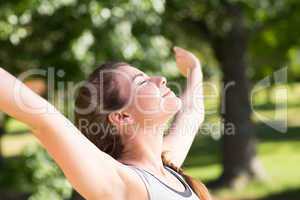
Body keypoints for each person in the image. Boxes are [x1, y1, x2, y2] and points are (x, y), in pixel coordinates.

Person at [0, 47, 211, 200]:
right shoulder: (122, 183)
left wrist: (194, 69)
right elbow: (43, 118)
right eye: (143, 82)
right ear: (121, 117)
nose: (161, 79)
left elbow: (192, 114)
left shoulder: (167, 167)